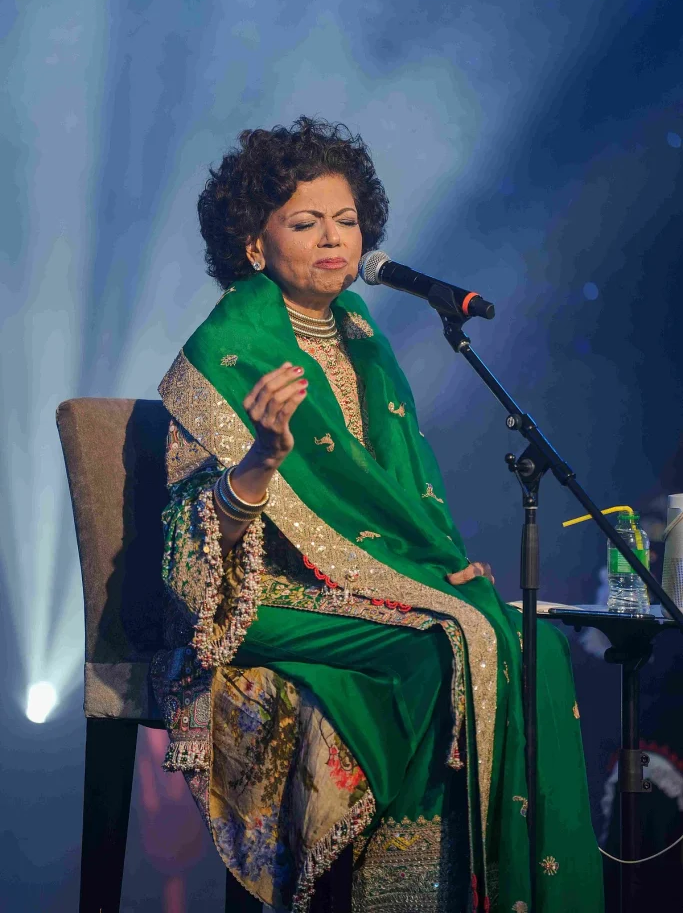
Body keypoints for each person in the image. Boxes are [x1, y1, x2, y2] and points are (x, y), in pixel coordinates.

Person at [152, 116, 603, 913]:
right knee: (443, 646)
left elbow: (396, 505)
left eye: (347, 220)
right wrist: (261, 458)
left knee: (526, 641)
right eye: (305, 222)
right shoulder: (223, 353)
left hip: (374, 589)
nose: (334, 238)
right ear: (252, 244)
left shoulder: (366, 343)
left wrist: (435, 565)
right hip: (263, 602)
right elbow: (190, 557)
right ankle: (407, 894)